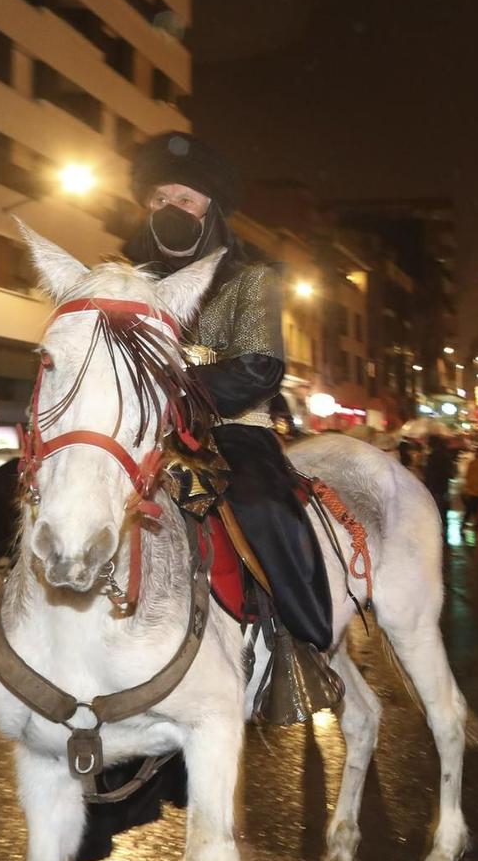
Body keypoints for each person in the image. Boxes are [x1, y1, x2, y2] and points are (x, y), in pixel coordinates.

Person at [124, 132, 333, 653]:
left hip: (233, 432)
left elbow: (260, 369)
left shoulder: (250, 279)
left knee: (262, 505)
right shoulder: (126, 281)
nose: (171, 207)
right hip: (140, 431)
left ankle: (300, 638)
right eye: (160, 199)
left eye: (185, 199)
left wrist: (176, 392)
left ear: (210, 211)